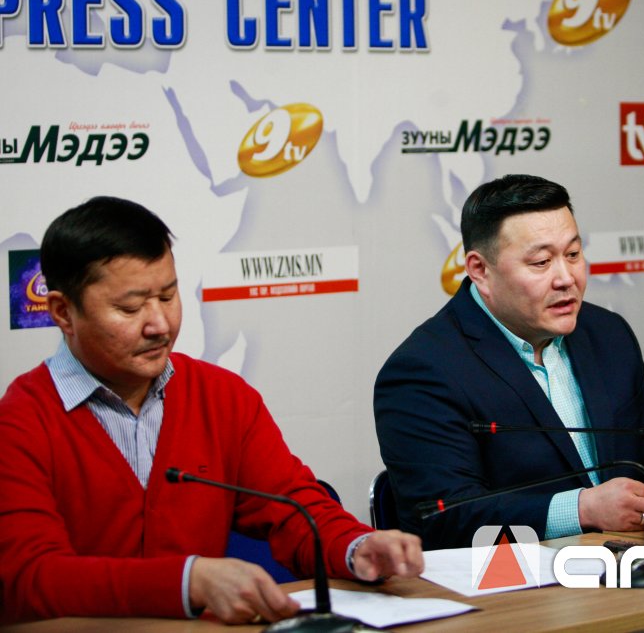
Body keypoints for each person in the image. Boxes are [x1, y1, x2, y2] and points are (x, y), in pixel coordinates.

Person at [0, 197, 423, 625]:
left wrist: (355, 546)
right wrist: (188, 582)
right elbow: (28, 577)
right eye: (130, 308)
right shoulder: (21, 420)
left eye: (168, 296)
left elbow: (294, 506)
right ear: (63, 312)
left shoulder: (221, 396)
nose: (160, 324)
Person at [374, 174, 644, 550]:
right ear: (480, 270)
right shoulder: (423, 371)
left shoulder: (608, 334)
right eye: (541, 262)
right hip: (509, 579)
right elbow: (444, 517)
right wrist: (581, 509)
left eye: (573, 255)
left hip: (629, 562)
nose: (566, 278)